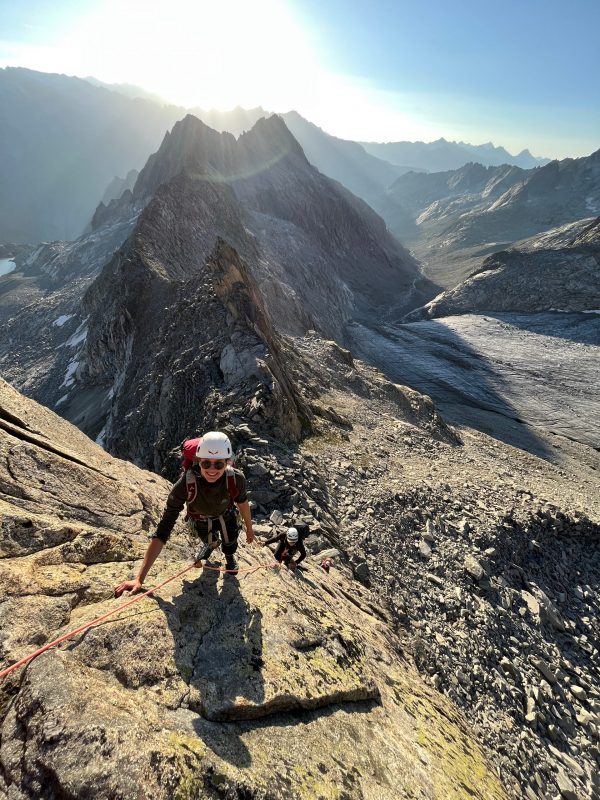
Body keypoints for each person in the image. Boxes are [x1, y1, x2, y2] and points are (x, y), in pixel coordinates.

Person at [115, 432, 254, 596]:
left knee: (230, 542)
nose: (211, 469)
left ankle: (229, 558)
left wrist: (250, 529)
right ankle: (212, 543)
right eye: (206, 463)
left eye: (218, 465)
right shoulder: (186, 484)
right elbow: (163, 530)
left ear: (227, 463)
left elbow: (242, 502)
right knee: (211, 541)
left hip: (226, 514)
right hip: (201, 520)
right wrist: (139, 578)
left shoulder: (236, 478)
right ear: (198, 461)